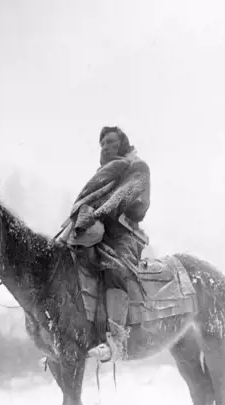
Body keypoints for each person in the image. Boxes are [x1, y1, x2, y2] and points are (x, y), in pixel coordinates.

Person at [57, 126, 151, 362]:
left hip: (123, 234)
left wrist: (97, 213)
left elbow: (128, 198)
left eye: (111, 142)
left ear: (122, 143)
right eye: (103, 144)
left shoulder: (137, 167)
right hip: (93, 231)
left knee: (115, 268)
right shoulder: (103, 173)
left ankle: (116, 340)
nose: (106, 146)